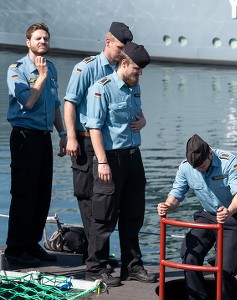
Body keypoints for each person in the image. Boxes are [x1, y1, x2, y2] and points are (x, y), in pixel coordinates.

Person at [63, 22, 138, 257]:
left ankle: (101, 254)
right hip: (85, 140)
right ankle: (94, 256)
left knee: (107, 201)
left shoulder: (122, 69)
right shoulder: (86, 68)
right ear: (108, 43)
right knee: (88, 198)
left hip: (110, 145)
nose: (122, 51)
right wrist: (70, 137)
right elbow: (70, 103)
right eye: (119, 47)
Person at [84, 41, 155, 287]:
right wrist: (102, 161)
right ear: (123, 63)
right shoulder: (101, 89)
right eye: (137, 68)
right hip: (110, 159)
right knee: (104, 217)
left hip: (133, 157)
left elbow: (136, 114)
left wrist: (143, 121)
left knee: (134, 215)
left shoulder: (134, 87)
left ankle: (132, 266)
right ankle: (96, 268)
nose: (140, 73)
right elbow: (94, 128)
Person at [157, 134, 237, 300]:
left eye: (203, 167)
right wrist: (167, 206)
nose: (200, 170)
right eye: (196, 168)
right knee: (189, 255)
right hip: (207, 215)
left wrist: (228, 211)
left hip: (232, 216)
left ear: (210, 154)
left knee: (225, 267)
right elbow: (176, 195)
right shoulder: (186, 168)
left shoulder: (229, 162)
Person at [5, 22, 66, 265]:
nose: (43, 42)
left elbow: (55, 104)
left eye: (46, 38)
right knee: (24, 195)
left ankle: (32, 245)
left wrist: (63, 134)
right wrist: (40, 77)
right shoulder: (16, 69)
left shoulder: (51, 67)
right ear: (28, 42)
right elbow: (28, 102)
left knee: (42, 195)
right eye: (38, 38)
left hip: (43, 137)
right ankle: (15, 251)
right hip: (24, 137)